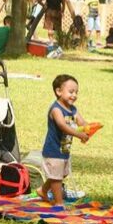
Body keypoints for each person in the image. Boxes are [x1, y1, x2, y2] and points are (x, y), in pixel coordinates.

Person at [36, 74, 90, 207]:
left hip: (64, 150)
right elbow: (62, 126)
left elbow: (82, 122)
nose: (74, 95)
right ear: (58, 91)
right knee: (56, 178)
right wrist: (79, 135)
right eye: (71, 92)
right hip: (53, 150)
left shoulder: (73, 109)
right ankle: (59, 203)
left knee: (61, 174)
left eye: (76, 92)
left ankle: (42, 190)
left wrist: (89, 129)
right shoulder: (56, 109)